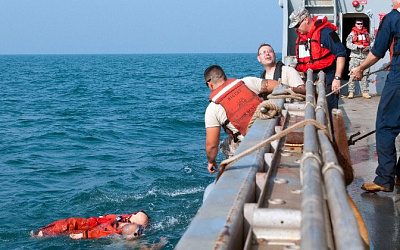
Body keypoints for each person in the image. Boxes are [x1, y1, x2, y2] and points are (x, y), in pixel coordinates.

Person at [350, 0, 400, 192]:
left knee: (385, 127)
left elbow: (377, 51)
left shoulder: (392, 19)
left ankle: (384, 179)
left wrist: (360, 68)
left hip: (398, 78)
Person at [204, 65, 279, 173]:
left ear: (210, 84)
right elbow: (276, 86)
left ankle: (233, 170)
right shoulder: (246, 82)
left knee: (225, 145)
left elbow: (211, 145)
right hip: (272, 128)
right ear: (224, 76)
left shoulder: (212, 109)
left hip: (253, 144)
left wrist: (211, 161)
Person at [289, 7, 346, 115]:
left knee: (330, 107)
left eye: (297, 25)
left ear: (306, 19)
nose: (296, 29)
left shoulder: (326, 33)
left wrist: (337, 78)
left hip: (328, 76)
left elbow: (341, 54)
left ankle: (332, 130)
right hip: (309, 77)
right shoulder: (302, 38)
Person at [33, 211, 149, 239]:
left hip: (106, 227)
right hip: (99, 222)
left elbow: (107, 230)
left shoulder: (132, 225)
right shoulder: (124, 217)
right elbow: (108, 219)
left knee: (77, 229)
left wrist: (84, 235)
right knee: (75, 222)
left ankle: (46, 233)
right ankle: (45, 231)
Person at [346, 19, 374, 99]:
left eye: (361, 24)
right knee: (352, 75)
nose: (360, 25)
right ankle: (351, 92)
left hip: (365, 58)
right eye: (358, 24)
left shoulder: (367, 34)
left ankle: (365, 92)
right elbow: (348, 44)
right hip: (355, 57)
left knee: (365, 75)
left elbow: (373, 42)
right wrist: (357, 46)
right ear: (355, 24)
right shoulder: (352, 34)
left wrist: (368, 47)